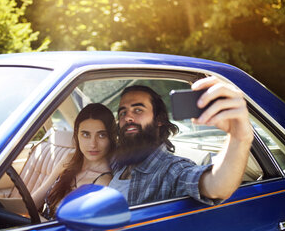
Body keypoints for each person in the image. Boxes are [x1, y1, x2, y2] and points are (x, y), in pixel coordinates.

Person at [109, 77, 254, 206]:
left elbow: (217, 185)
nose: (127, 117)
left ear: (159, 120)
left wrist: (239, 138)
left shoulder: (172, 170)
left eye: (138, 110)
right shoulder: (118, 163)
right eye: (123, 112)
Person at [36, 103, 117, 219]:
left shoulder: (104, 183)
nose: (93, 144)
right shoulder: (70, 159)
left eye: (101, 135)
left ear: (111, 138)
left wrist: (33, 222)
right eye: (86, 134)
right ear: (77, 136)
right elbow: (35, 200)